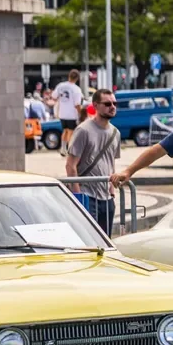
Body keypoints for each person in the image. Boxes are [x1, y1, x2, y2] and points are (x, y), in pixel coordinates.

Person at [66, 89, 121, 235]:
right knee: (90, 239)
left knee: (105, 240)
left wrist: (111, 190)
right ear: (95, 105)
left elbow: (110, 162)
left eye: (114, 103)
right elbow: (70, 165)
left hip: (107, 198)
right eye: (108, 103)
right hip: (87, 196)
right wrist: (78, 197)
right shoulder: (83, 130)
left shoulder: (116, 133)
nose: (113, 106)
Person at [52, 69, 84, 158]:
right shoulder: (76, 89)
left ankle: (63, 148)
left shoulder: (60, 86)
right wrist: (81, 113)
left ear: (69, 76)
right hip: (71, 114)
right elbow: (77, 104)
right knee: (71, 132)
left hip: (62, 113)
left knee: (65, 130)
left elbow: (54, 97)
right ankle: (71, 150)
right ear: (77, 78)